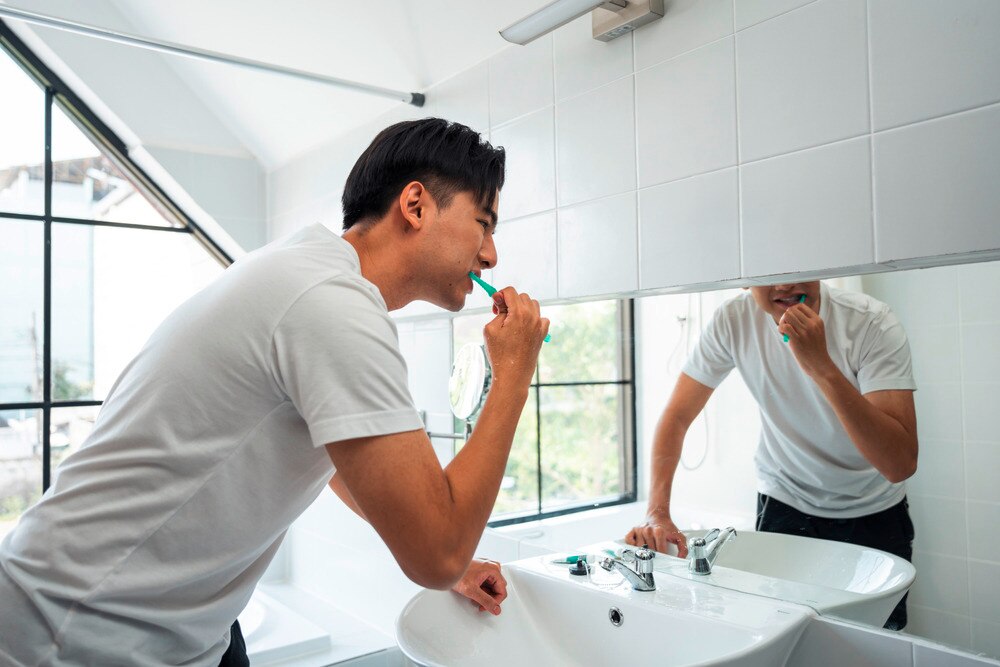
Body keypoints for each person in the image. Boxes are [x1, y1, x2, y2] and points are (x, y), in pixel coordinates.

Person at [0, 118, 548, 666]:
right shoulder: (333, 302)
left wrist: (453, 561)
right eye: (483, 223)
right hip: (77, 630)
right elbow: (435, 557)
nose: (491, 255)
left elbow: (344, 460)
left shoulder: (304, 269)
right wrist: (514, 376)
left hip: (174, 625)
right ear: (415, 205)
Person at [625, 281, 917, 630]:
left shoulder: (870, 322)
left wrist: (821, 366)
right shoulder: (733, 319)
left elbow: (899, 464)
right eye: (769, 273)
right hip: (784, 506)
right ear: (746, 278)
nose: (785, 284)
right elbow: (677, 416)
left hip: (873, 512)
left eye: (795, 267)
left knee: (876, 649)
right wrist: (658, 512)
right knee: (782, 640)